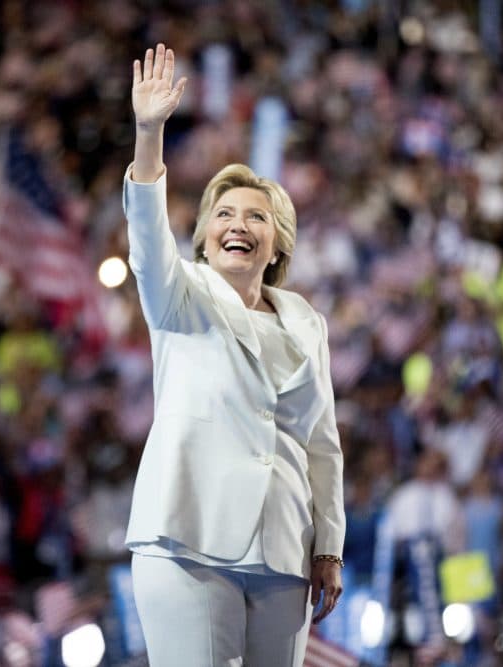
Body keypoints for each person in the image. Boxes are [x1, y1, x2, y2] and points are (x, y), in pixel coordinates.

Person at [123, 44, 346, 666]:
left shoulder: (305, 320)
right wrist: (149, 133)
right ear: (204, 235)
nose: (237, 224)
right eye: (223, 213)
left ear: (277, 241)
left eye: (255, 216)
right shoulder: (180, 294)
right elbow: (145, 238)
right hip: (187, 536)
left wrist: (328, 545)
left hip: (283, 547)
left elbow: (322, 444)